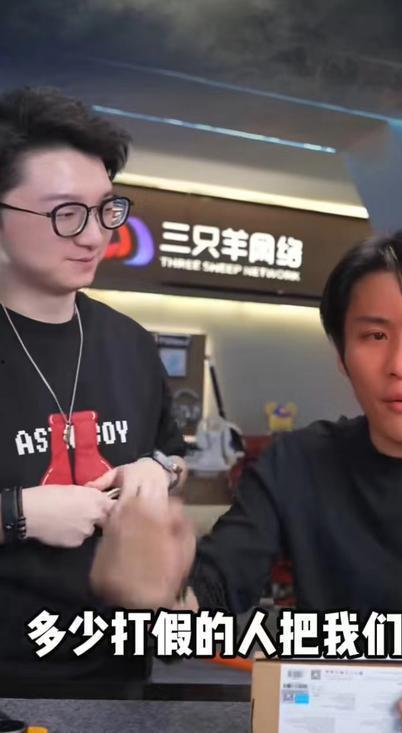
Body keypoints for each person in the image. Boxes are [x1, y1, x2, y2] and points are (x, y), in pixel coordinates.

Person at [92, 228, 402, 730]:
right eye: (374, 336)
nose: (401, 365)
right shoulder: (296, 464)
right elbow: (210, 596)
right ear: (343, 356)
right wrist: (156, 594)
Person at [0, 86, 188, 682]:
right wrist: (15, 515)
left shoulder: (129, 341)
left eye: (106, 209)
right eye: (65, 213)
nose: (93, 236)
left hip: (118, 670)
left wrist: (158, 472)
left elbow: (171, 455)